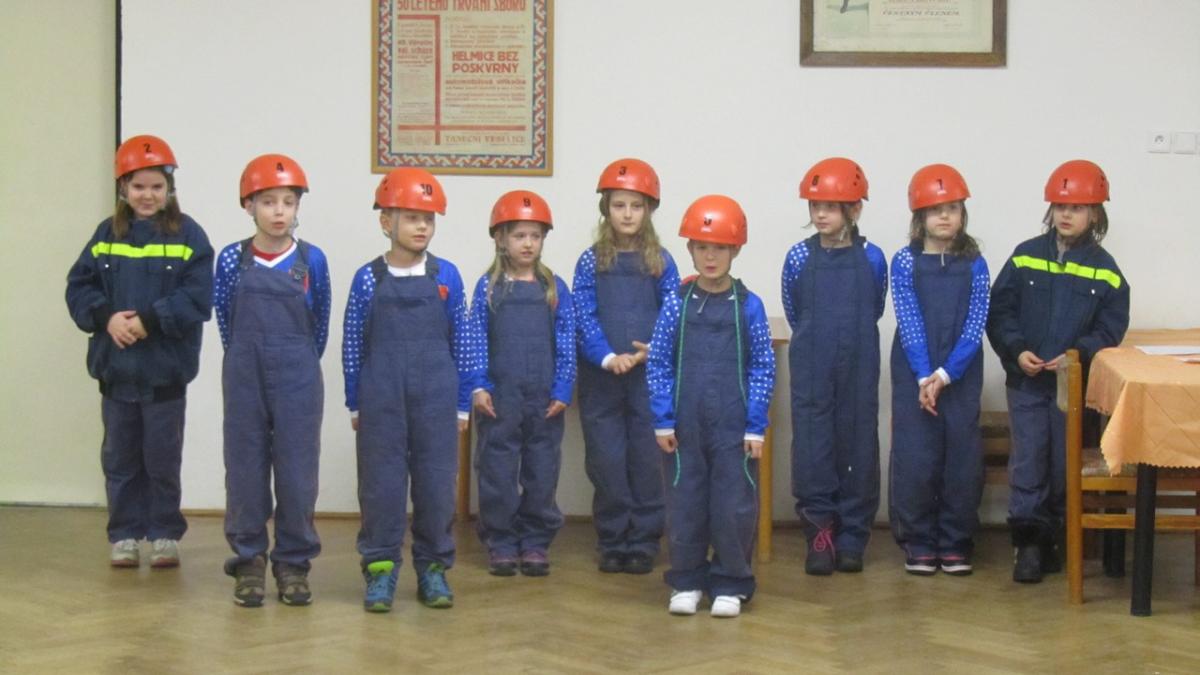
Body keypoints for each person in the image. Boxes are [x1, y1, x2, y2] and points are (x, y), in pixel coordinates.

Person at [65, 134, 213, 568]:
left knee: (162, 461)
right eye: (138, 186)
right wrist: (106, 317)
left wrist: (149, 320)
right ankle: (125, 534)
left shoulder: (189, 236)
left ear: (170, 189)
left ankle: (165, 534)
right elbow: (79, 287)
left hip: (165, 376)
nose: (148, 195)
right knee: (120, 460)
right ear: (123, 189)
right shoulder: (105, 235)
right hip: (116, 375)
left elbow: (197, 296)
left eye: (157, 186)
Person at [987, 159, 1130, 583]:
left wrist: (1077, 355)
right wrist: (1017, 351)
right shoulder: (1025, 256)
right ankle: (1030, 545)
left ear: (1096, 215)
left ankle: (1056, 540)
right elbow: (1000, 311)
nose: (1067, 215)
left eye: (1078, 208)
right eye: (1060, 206)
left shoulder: (1107, 271)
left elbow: (1110, 329)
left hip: (1071, 387)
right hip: (1027, 383)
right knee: (1029, 461)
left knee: (1062, 465)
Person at [343, 167, 471, 611]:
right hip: (381, 398)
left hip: (436, 397)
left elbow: (463, 342)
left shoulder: (446, 276)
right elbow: (352, 343)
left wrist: (461, 405)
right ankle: (380, 571)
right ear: (386, 222)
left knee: (437, 486)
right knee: (381, 487)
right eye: (412, 217)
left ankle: (433, 569)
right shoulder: (367, 279)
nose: (422, 227)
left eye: (429, 219)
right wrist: (355, 402)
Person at [648, 195, 775, 619]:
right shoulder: (676, 303)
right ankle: (686, 581)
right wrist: (662, 420)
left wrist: (756, 425)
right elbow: (659, 361)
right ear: (690, 249)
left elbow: (762, 366)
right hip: (684, 428)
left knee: (733, 507)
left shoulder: (749, 305)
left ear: (735, 249)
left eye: (719, 247)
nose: (710, 256)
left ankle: (731, 583)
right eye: (702, 247)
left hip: (734, 429)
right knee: (684, 505)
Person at [214, 154, 331, 606]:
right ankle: (248, 561)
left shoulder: (312, 260)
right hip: (245, 373)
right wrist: (248, 357)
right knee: (244, 468)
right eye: (268, 202)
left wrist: (295, 358)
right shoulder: (232, 259)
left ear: (298, 206)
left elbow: (319, 324)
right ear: (248, 205)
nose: (279, 211)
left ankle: (293, 563)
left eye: (288, 201)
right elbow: (225, 319)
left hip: (299, 374)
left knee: (298, 472)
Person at [572, 158, 679, 574]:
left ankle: (644, 540)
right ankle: (613, 539)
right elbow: (583, 314)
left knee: (647, 460)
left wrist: (654, 349)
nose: (628, 214)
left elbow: (673, 311)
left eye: (636, 206)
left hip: (648, 379)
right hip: (602, 379)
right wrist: (607, 356)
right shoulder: (591, 261)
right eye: (619, 205)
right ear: (607, 209)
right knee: (607, 460)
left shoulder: (661, 261)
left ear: (649, 209)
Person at [783, 157, 887, 575]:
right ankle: (819, 534)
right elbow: (794, 310)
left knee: (858, 443)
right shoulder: (798, 257)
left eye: (830, 206)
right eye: (815, 206)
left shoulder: (873, 258)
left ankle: (852, 537)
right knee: (813, 447)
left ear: (854, 209)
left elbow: (875, 306)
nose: (821, 214)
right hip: (812, 366)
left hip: (858, 365)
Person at [466, 190, 575, 578]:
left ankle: (535, 542)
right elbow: (475, 338)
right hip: (500, 398)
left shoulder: (554, 287)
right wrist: (478, 386)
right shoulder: (488, 287)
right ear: (500, 238)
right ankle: (501, 541)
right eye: (519, 235)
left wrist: (563, 388)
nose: (528, 243)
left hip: (544, 399)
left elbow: (567, 340)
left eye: (535, 235)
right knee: (497, 469)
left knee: (542, 470)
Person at [888, 163, 990, 576]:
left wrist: (946, 375)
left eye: (952, 208)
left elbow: (975, 324)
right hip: (914, 370)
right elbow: (909, 319)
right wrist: (924, 375)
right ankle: (919, 541)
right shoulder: (904, 262)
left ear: (963, 214)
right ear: (920, 216)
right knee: (917, 456)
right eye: (935, 210)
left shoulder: (976, 263)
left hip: (960, 374)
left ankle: (955, 541)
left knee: (961, 458)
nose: (944, 216)